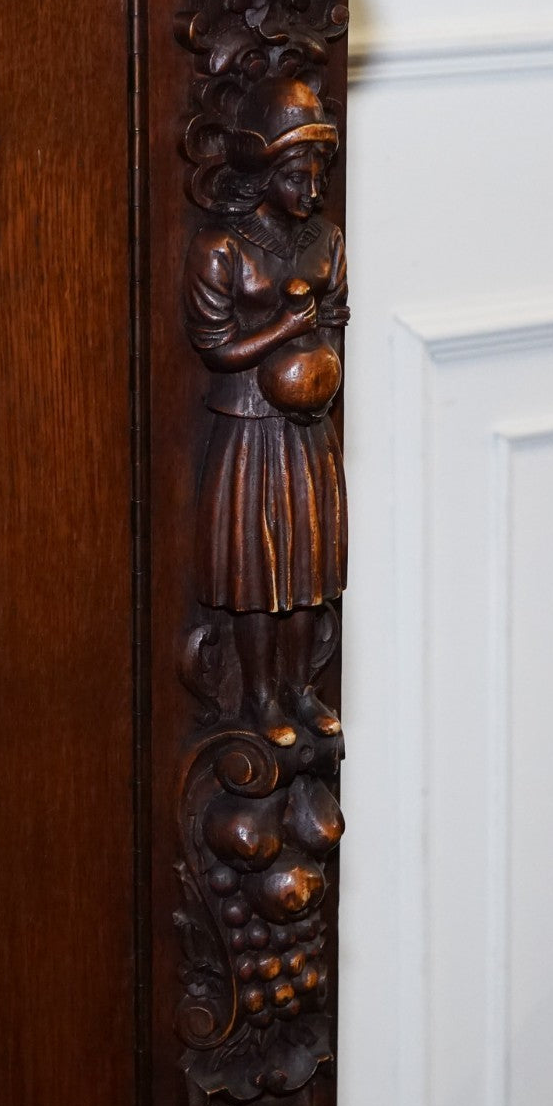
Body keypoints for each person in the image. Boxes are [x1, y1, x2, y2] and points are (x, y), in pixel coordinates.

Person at [184, 74, 349, 747]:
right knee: (259, 571)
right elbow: (216, 348)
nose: (310, 193)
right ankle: (257, 698)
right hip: (249, 428)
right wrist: (284, 328)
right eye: (295, 178)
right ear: (261, 174)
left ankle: (299, 691)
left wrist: (319, 378)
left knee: (308, 571)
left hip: (305, 423)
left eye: (317, 178)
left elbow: (335, 319)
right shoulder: (220, 248)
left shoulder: (324, 239)